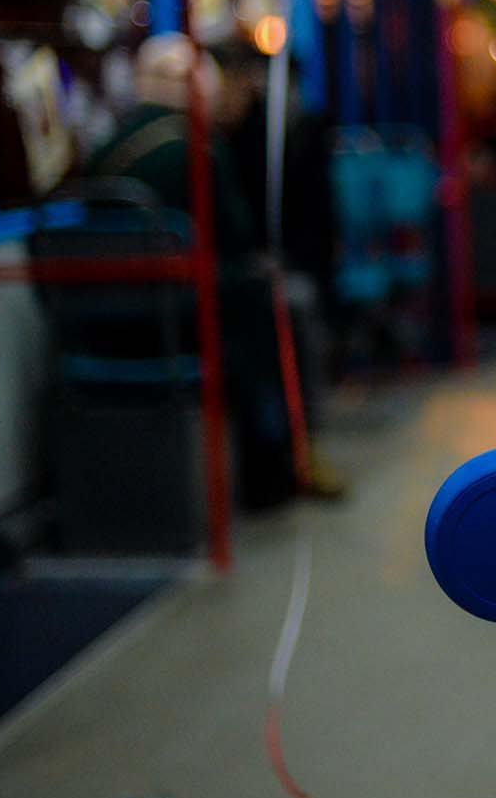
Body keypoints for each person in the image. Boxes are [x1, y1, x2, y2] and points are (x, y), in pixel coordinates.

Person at [83, 33, 341, 505]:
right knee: (276, 302)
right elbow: (236, 237)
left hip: (97, 317)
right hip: (177, 316)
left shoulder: (105, 150)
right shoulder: (197, 148)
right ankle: (282, 458)